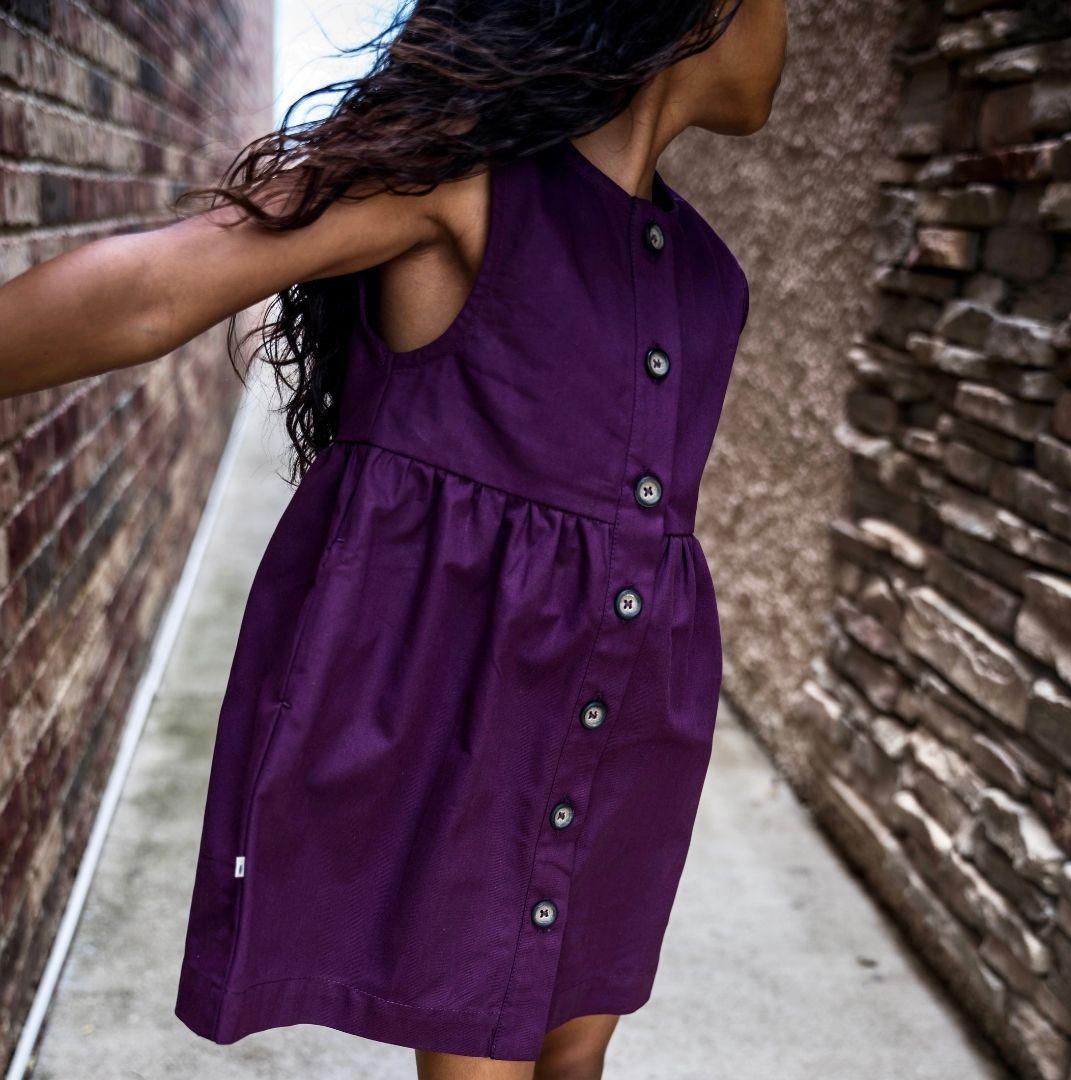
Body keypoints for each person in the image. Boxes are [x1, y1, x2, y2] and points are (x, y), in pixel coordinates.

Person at [0, 1, 787, 1076]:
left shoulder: (708, 277)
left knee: (575, 1056)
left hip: (635, 733)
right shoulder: (463, 181)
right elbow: (154, 291)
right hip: (478, 735)